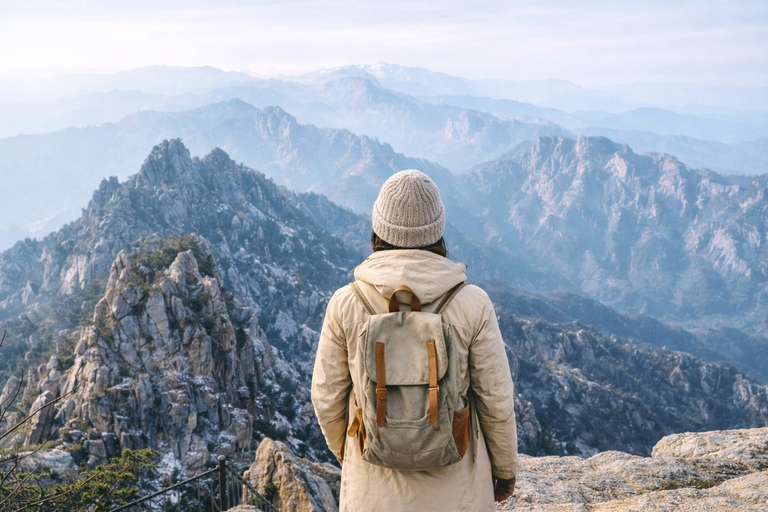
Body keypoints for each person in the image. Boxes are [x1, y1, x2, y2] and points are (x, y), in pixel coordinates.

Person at [311, 170, 518, 511]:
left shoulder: (346, 303)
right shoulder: (472, 303)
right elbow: (495, 399)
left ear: (378, 230)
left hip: (372, 492)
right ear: (438, 231)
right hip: (458, 493)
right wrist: (505, 470)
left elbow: (326, 396)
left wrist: (351, 451)